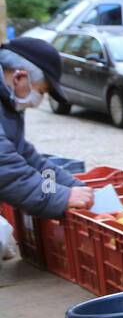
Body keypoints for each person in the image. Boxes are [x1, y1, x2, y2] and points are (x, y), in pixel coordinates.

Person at [0, 38, 92, 220]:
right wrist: (61, 196)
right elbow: (6, 169)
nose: (39, 100)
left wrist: (71, 185)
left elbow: (25, 156)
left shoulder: (8, 103)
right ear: (19, 77)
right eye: (41, 91)